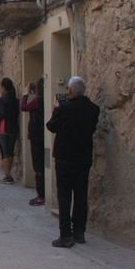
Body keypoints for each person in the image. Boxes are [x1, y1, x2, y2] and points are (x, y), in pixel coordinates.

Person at [46, 76, 101, 248]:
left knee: (64, 196)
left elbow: (51, 126)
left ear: (70, 90)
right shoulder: (94, 109)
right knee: (81, 195)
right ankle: (79, 232)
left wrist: (56, 109)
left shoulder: (64, 109)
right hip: (83, 158)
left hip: (65, 158)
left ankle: (65, 235)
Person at [21, 78, 46, 206]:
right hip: (43, 135)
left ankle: (41, 195)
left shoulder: (38, 101)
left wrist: (25, 94)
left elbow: (23, 107)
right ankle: (43, 194)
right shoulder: (45, 100)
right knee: (43, 165)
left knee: (38, 166)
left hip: (36, 137)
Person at [0, 77, 20, 183]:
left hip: (3, 128)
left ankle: (7, 176)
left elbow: (1, 114)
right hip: (13, 128)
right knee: (10, 152)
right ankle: (9, 174)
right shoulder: (15, 101)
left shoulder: (2, 100)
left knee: (5, 153)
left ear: (3, 87)